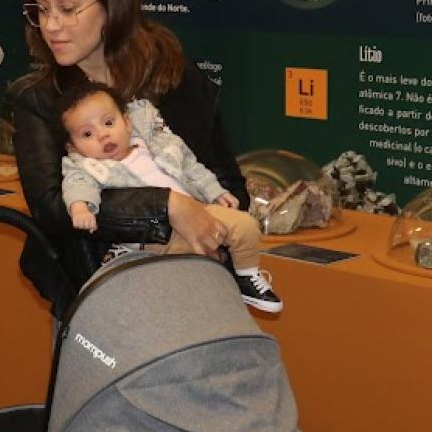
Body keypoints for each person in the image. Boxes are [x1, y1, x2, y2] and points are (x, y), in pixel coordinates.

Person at [8, 0, 248, 317]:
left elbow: (229, 184)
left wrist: (208, 218)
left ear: (111, 4)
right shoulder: (39, 99)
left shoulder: (174, 79)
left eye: (67, 9)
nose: (51, 25)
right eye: (41, 10)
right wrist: (166, 205)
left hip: (194, 286)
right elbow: (53, 208)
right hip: (97, 297)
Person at [60, 82, 281, 311]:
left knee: (245, 225)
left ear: (127, 123)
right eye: (87, 134)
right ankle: (126, 256)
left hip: (196, 211)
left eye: (108, 122)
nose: (102, 135)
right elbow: (76, 184)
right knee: (194, 259)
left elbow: (191, 167)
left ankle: (246, 276)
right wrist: (80, 207)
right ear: (74, 148)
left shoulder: (157, 146)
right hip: (155, 235)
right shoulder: (89, 167)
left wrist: (215, 191)